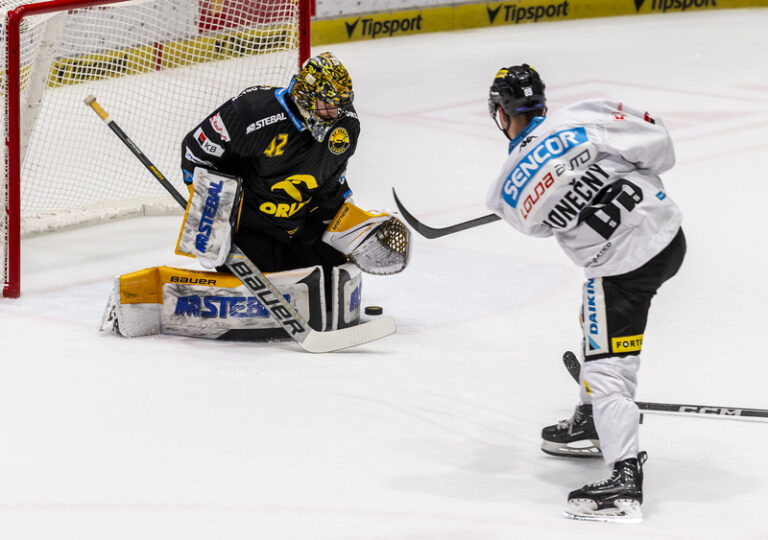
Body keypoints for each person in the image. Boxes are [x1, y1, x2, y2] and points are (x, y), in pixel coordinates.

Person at [485, 64, 685, 522]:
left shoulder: (503, 190)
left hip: (621, 269)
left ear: (501, 113)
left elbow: (535, 226)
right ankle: (592, 421)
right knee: (589, 314)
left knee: (608, 369)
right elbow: (659, 146)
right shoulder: (583, 116)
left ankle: (623, 483)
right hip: (668, 233)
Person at [179, 51, 410, 300]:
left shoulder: (345, 128)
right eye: (328, 104)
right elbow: (196, 152)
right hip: (250, 227)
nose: (336, 113)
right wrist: (211, 220)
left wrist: (349, 224)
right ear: (307, 96)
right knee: (272, 288)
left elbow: (329, 184)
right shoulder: (252, 113)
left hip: (298, 224)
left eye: (340, 104)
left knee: (333, 281)